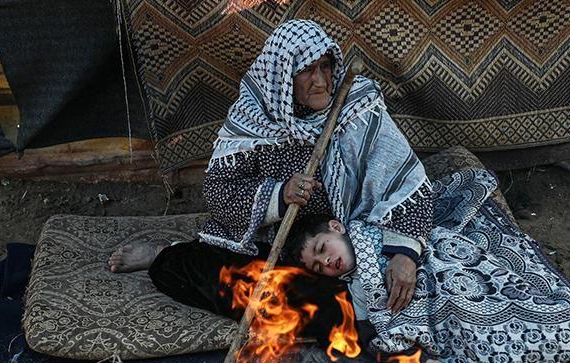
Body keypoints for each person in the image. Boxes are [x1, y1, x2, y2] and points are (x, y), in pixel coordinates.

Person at [107, 19, 434, 342]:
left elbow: (406, 182)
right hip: (276, 242)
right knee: (230, 282)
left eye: (325, 67)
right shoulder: (256, 116)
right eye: (307, 72)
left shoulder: (357, 106)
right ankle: (169, 253)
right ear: (283, 78)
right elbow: (219, 192)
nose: (321, 81)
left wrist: (405, 253)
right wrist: (278, 196)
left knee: (354, 305)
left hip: (349, 238)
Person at [281, 164, 570, 363]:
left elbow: (414, 213)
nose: (325, 261)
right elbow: (375, 335)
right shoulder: (357, 290)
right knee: (482, 332)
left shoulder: (372, 223)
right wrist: (422, 362)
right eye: (317, 266)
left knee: (517, 295)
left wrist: (410, 254)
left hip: (454, 266)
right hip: (445, 311)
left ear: (336, 226)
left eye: (321, 249)